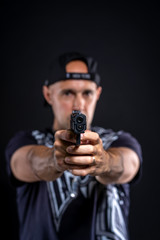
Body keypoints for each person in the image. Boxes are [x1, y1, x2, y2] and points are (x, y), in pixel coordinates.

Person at [5, 52, 142, 240]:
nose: (79, 105)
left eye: (87, 93)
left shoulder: (118, 141)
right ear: (48, 94)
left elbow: (129, 164)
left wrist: (105, 162)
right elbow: (27, 161)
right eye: (67, 93)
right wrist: (54, 160)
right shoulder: (27, 141)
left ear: (98, 94)